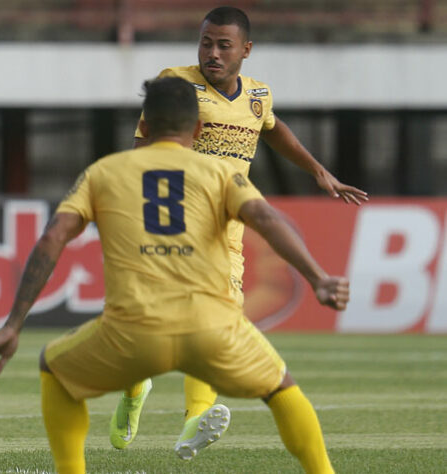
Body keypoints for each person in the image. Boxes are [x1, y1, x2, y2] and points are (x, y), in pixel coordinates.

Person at [0, 76, 345, 474]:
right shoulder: (222, 174)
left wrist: (13, 324)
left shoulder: (104, 172)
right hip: (213, 332)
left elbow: (53, 238)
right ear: (199, 128)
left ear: (145, 127)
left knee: (53, 367)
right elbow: (265, 218)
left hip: (133, 333)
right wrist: (317, 277)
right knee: (280, 387)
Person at [112, 6, 368, 459]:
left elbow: (271, 127)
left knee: (217, 322)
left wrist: (317, 171)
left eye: (223, 45)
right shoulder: (175, 83)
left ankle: (196, 419)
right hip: (170, 221)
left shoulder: (257, 96)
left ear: (245, 50)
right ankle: (134, 390)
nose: (212, 52)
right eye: (205, 42)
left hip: (226, 230)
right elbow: (142, 144)